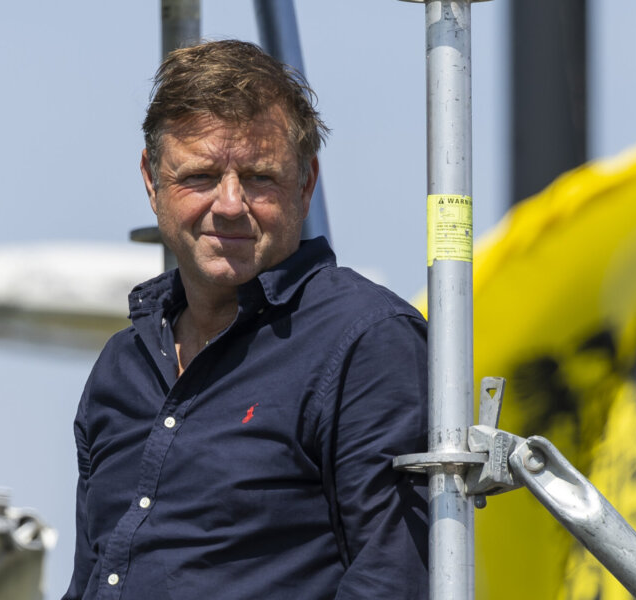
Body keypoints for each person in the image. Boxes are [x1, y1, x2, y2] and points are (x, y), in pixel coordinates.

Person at [64, 40, 429, 600]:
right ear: (152, 181)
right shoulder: (123, 364)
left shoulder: (367, 341)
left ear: (305, 184)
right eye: (201, 176)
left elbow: (394, 581)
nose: (231, 204)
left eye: (259, 177)